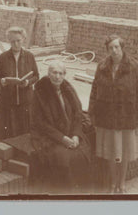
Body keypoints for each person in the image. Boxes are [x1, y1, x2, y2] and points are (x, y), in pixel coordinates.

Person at [88, 34, 138, 194]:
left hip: (126, 116)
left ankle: (122, 183)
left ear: (122, 48)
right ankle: (113, 183)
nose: (114, 51)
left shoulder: (134, 66)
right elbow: (94, 90)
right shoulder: (101, 66)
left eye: (117, 47)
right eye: (110, 48)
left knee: (124, 152)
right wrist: (91, 111)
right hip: (106, 116)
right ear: (107, 50)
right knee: (110, 152)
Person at [30, 61, 91, 193]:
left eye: (60, 73)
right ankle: (64, 193)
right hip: (49, 136)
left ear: (64, 75)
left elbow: (77, 114)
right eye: (54, 73)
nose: (57, 76)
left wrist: (75, 135)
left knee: (82, 154)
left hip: (70, 133)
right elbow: (40, 123)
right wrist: (63, 138)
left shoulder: (68, 90)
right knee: (63, 158)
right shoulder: (40, 92)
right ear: (48, 74)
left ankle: (80, 192)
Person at [0, 26, 39, 142]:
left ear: (23, 39)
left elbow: (36, 76)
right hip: (8, 100)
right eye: (12, 41)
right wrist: (2, 81)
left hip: (26, 100)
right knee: (8, 131)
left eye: (18, 40)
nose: (16, 44)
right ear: (9, 41)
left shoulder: (30, 56)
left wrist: (28, 82)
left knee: (25, 130)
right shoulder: (2, 58)